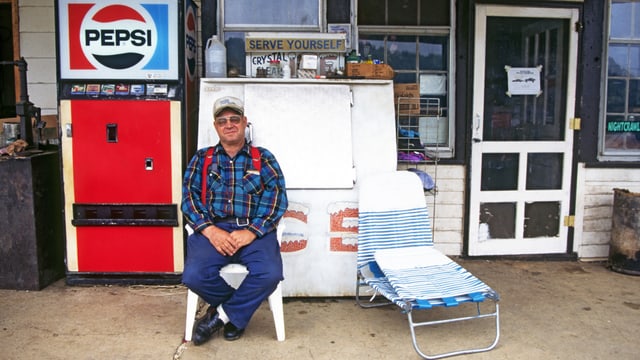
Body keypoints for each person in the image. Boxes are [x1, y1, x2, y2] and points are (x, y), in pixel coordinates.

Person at [181, 96, 288, 345]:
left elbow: (277, 199)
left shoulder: (263, 158)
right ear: (216, 126)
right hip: (213, 230)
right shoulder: (202, 158)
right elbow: (188, 198)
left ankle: (219, 316)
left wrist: (251, 231)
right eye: (222, 121)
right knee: (194, 275)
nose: (229, 124)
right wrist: (210, 230)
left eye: (234, 119)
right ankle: (235, 314)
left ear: (244, 123)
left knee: (270, 273)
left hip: (253, 231)